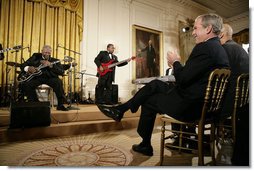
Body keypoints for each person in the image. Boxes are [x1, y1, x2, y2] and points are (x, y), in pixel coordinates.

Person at [97, 13, 229, 156]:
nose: (193, 32)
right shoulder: (218, 49)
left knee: (148, 101)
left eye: (196, 28)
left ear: (208, 28)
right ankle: (122, 110)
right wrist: (179, 66)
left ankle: (143, 141)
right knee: (155, 84)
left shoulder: (204, 48)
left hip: (190, 107)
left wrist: (176, 62)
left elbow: (183, 79)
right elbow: (194, 76)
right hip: (206, 106)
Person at [219, 24, 249, 166]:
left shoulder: (224, 49)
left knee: (196, 103)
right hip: (242, 102)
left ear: (221, 35)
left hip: (228, 103)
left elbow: (217, 79)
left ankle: (190, 141)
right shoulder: (240, 50)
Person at [20, 45, 68, 111]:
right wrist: (28, 68)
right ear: (42, 51)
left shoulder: (55, 60)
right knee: (27, 84)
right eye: (45, 52)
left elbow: (61, 71)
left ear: (51, 52)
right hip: (36, 78)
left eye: (48, 53)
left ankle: (60, 104)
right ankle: (35, 104)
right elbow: (23, 65)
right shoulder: (35, 57)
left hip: (50, 78)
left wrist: (51, 66)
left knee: (58, 82)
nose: (47, 54)